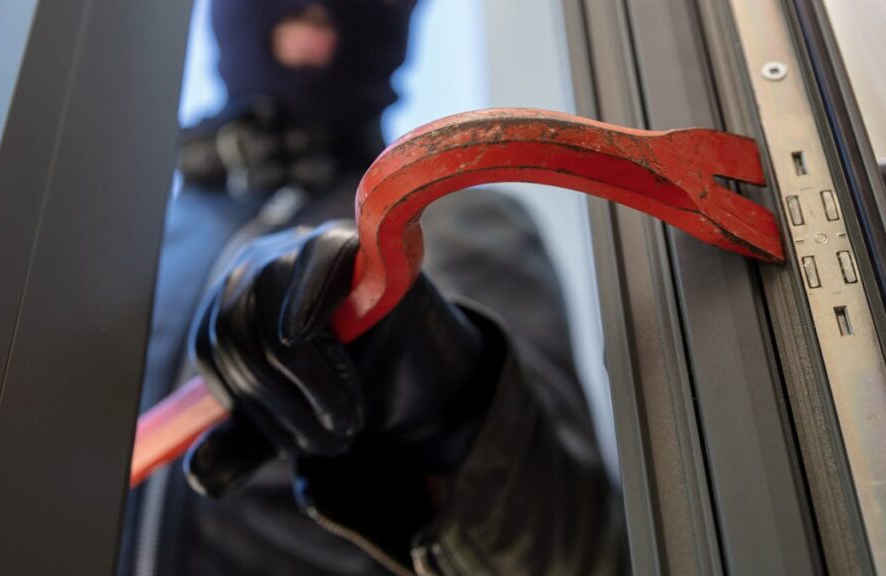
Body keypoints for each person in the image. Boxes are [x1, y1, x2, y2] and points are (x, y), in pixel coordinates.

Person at [119, 1, 628, 574]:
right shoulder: (142, 241)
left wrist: (451, 403)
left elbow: (583, 556)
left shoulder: (450, 224)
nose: (314, 10)